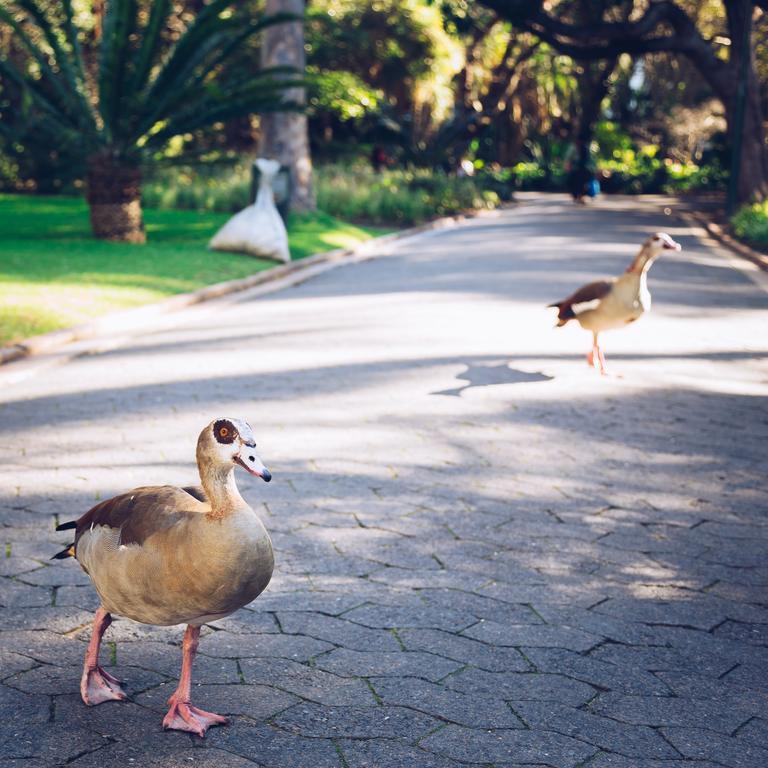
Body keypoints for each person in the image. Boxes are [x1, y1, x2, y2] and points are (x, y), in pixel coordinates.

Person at [565, 138, 596, 203]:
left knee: (582, 184)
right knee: (576, 183)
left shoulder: (588, 147)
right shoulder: (574, 147)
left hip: (584, 170)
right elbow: (568, 159)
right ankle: (578, 196)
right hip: (577, 169)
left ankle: (581, 196)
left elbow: (591, 160)